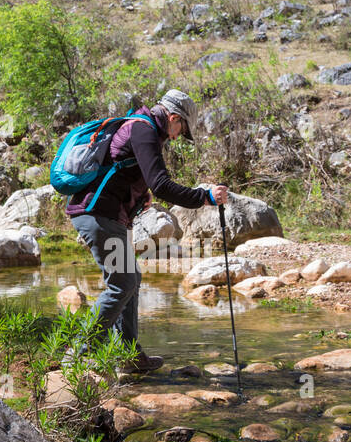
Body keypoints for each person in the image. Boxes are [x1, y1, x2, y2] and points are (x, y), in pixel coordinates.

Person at [66, 89, 229, 374]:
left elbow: (129, 173)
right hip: (98, 215)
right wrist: (205, 197)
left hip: (107, 216)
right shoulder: (143, 131)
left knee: (130, 280)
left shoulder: (139, 126)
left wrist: (139, 195)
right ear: (173, 117)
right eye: (182, 129)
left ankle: (128, 356)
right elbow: (162, 185)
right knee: (122, 284)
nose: (178, 136)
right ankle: (78, 354)